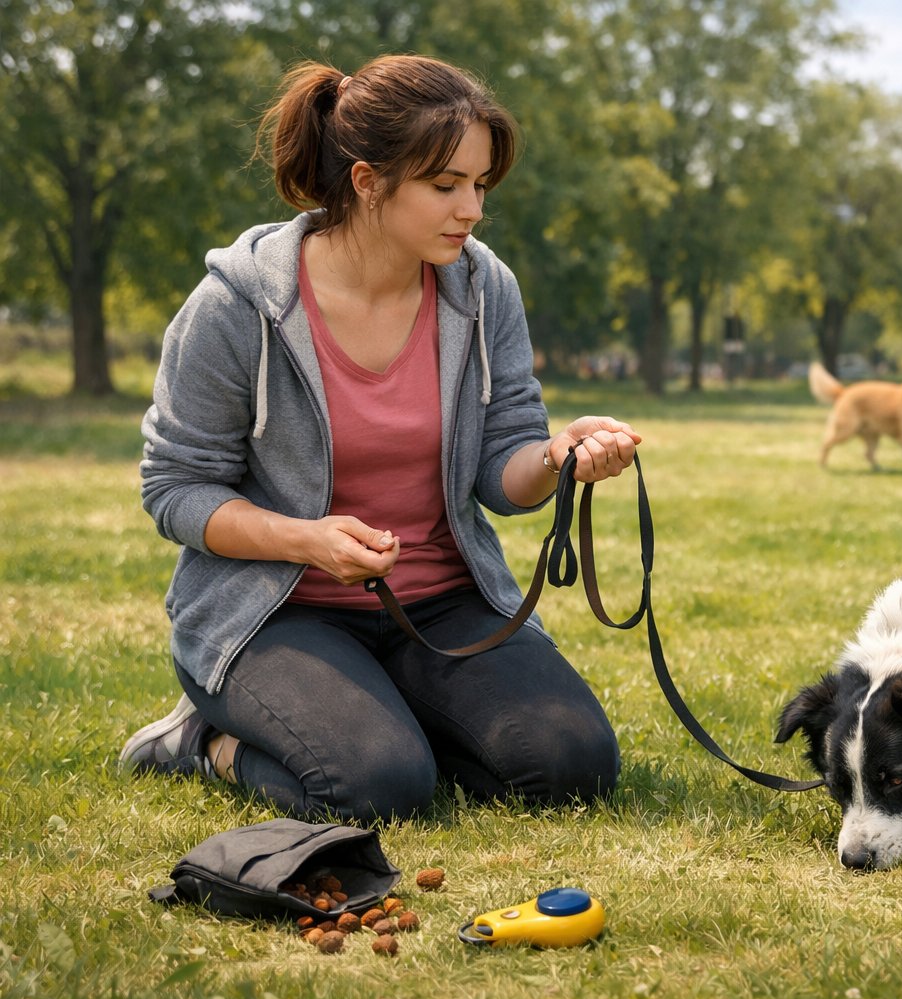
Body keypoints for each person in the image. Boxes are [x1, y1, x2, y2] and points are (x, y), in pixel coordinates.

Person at [120, 55, 641, 822]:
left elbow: (504, 467)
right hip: (278, 611)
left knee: (572, 765)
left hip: (440, 604)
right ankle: (202, 741)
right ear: (367, 182)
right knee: (379, 789)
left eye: (480, 185)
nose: (471, 208)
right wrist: (305, 540)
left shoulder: (482, 287)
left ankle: (385, 713)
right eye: (445, 185)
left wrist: (559, 457)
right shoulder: (235, 306)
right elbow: (173, 489)